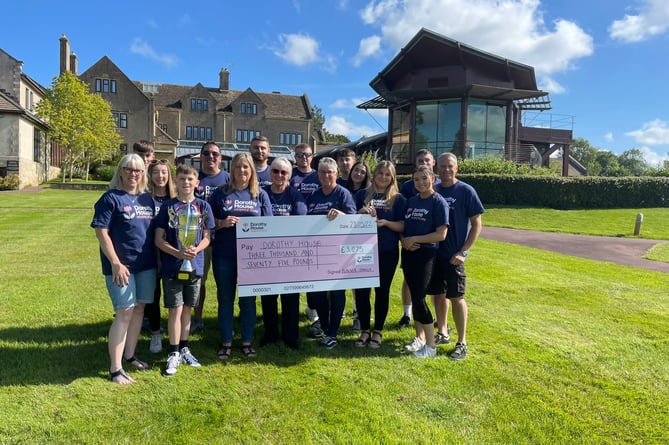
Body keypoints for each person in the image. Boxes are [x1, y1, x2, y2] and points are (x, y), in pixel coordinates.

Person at [91, 153, 157, 384]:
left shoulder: (147, 199)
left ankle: (129, 356)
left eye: (138, 170)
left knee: (139, 310)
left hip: (146, 265)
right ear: (120, 171)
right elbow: (101, 232)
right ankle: (115, 369)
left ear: (143, 174)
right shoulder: (110, 198)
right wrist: (116, 263)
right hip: (121, 267)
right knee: (124, 312)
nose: (133, 174)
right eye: (128, 169)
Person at [209, 153, 272, 360]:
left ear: (252, 170)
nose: (242, 171)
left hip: (251, 259)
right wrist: (222, 223)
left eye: (246, 167)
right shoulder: (220, 193)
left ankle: (246, 342)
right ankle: (226, 342)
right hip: (224, 255)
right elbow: (206, 222)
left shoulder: (260, 195)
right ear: (232, 170)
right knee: (225, 299)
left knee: (248, 301)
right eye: (238, 167)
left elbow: (270, 226)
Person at [155, 164, 215, 376]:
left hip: (195, 266)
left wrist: (195, 250)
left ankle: (184, 347)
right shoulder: (168, 207)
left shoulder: (204, 207)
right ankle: (173, 352)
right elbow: (158, 239)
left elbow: (207, 237)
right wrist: (178, 253)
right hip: (173, 266)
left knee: (188, 308)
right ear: (176, 181)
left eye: (190, 179)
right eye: (182, 179)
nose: (186, 183)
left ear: (197, 183)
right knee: (175, 310)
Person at [428, 152, 484, 360]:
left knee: (457, 297)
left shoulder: (466, 191)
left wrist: (463, 252)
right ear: (437, 169)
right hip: (434, 255)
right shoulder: (433, 191)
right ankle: (443, 332)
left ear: (456, 168)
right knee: (438, 295)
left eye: (449, 166)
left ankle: (462, 342)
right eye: (442, 167)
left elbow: (477, 225)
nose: (445, 170)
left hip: (454, 256)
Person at [354, 161, 406, 349]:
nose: (383, 177)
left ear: (392, 177)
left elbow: (403, 225)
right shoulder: (362, 195)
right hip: (363, 251)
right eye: (380, 173)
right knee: (361, 291)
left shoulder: (398, 199)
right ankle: (365, 330)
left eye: (387, 174)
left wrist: (385, 223)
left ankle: (378, 331)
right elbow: (349, 220)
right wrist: (361, 212)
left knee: (382, 291)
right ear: (374, 174)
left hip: (387, 251)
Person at [306, 157, 356, 349]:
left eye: (330, 172)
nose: (326, 175)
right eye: (322, 172)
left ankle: (333, 333)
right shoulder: (314, 196)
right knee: (316, 294)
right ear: (317, 174)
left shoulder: (343, 194)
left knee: (336, 292)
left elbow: (354, 220)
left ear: (336, 174)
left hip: (338, 253)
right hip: (316, 252)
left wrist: (341, 215)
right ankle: (326, 328)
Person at [401, 165, 448, 358]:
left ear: (433, 178)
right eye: (416, 179)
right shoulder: (412, 201)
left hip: (426, 255)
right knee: (414, 295)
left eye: (423, 178)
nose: (420, 182)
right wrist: (405, 240)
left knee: (420, 298)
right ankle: (419, 339)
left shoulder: (439, 202)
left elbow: (441, 234)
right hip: (409, 254)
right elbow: (406, 226)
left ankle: (431, 346)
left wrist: (415, 240)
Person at [260, 157, 307, 349]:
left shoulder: (295, 195)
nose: (279, 175)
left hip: (290, 254)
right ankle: (270, 334)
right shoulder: (261, 194)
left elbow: (301, 216)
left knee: (290, 298)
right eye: (276, 171)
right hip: (266, 253)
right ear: (270, 173)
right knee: (268, 297)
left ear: (289, 175)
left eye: (284, 172)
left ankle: (290, 336)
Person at [397, 149, 441, 329]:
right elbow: (402, 216)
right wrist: (404, 239)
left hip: (435, 243)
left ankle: (438, 321)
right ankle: (408, 315)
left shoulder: (441, 186)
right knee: (410, 280)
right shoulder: (408, 187)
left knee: (436, 284)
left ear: (433, 163)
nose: (424, 162)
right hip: (412, 245)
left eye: (427, 160)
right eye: (420, 160)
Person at [191, 141, 230, 333]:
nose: (211, 157)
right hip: (199, 240)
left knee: (228, 282)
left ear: (220, 158)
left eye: (215, 153)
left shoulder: (228, 180)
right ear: (201, 157)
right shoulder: (192, 178)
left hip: (224, 239)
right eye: (206, 153)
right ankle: (197, 318)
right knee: (199, 280)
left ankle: (229, 318)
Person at [146, 159, 176, 354]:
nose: (160, 176)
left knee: (175, 297)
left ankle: (178, 337)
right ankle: (156, 333)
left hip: (173, 254)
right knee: (153, 296)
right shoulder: (144, 199)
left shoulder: (176, 199)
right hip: (150, 252)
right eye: (156, 172)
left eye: (164, 172)